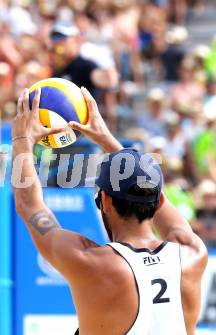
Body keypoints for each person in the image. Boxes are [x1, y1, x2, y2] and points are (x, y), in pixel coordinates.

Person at [12, 87, 208, 334]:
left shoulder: (93, 263)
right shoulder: (191, 254)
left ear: (105, 201)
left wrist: (21, 140)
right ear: (158, 204)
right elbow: (160, 200)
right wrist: (107, 139)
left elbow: (29, 205)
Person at [50, 23, 118, 101]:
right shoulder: (57, 69)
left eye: (62, 37)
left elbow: (103, 78)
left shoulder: (84, 65)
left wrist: (107, 76)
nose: (58, 41)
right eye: (54, 37)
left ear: (75, 39)